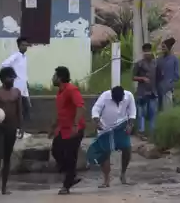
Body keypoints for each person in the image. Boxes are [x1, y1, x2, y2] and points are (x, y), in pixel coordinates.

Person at [87, 85, 136, 189]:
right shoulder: (105, 96)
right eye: (115, 101)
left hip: (121, 126)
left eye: (120, 100)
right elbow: (95, 109)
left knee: (127, 148)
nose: (118, 103)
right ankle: (106, 180)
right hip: (105, 128)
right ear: (111, 95)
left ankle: (123, 174)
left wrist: (130, 125)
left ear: (123, 95)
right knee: (105, 153)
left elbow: (132, 112)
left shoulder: (129, 96)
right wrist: (97, 121)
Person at [0, 65, 24, 194]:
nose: (12, 80)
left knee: (7, 157)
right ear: (3, 79)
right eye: (10, 78)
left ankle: (4, 187)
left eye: (13, 78)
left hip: (12, 127)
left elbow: (19, 110)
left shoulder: (16, 92)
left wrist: (21, 127)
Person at [50, 65, 85, 194]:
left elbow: (80, 107)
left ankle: (66, 185)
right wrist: (53, 126)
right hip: (63, 129)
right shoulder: (60, 92)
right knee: (56, 151)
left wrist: (75, 125)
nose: (52, 78)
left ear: (60, 78)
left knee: (71, 157)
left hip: (74, 129)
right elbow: (61, 112)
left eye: (54, 76)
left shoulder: (71, 89)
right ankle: (72, 175)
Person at [0, 37, 31, 138]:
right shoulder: (16, 56)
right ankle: (17, 130)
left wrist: (26, 82)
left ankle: (21, 130)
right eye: (23, 45)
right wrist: (13, 76)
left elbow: (23, 72)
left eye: (26, 45)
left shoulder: (24, 57)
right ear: (19, 46)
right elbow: (4, 64)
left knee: (27, 108)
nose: (25, 47)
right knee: (19, 109)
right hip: (17, 87)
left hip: (24, 87)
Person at [132, 43, 158, 137]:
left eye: (149, 51)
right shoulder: (139, 64)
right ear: (143, 52)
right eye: (146, 51)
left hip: (153, 92)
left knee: (152, 113)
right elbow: (133, 77)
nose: (147, 53)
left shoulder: (155, 63)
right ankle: (141, 131)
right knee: (141, 113)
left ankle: (152, 133)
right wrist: (142, 78)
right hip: (142, 92)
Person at [156, 37, 180, 111]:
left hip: (168, 90)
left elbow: (177, 75)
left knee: (167, 110)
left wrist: (169, 82)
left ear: (169, 47)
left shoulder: (174, 59)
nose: (162, 49)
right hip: (157, 90)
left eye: (164, 47)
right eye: (162, 47)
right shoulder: (158, 59)